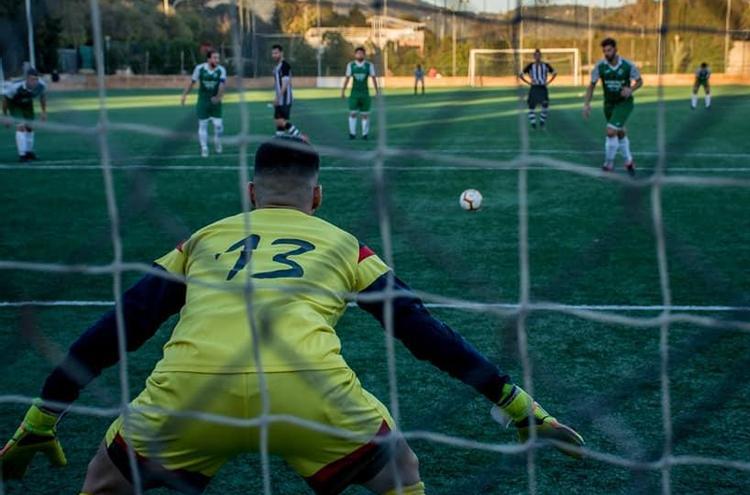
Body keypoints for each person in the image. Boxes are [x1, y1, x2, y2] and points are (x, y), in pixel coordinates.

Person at [0, 136, 585, 495]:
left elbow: (118, 328)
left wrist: (40, 418)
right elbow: (427, 335)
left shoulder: (203, 239)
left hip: (190, 391)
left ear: (251, 193)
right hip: (311, 392)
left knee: (104, 482)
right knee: (401, 471)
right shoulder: (345, 244)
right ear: (318, 197)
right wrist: (518, 407)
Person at [583, 38, 643, 176]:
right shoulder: (600, 66)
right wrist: (586, 104)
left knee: (610, 131)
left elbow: (639, 81)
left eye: (609, 50)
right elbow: (591, 86)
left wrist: (630, 89)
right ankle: (629, 161)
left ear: (616, 50)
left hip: (624, 104)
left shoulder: (628, 65)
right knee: (620, 132)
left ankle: (608, 164)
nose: (606, 53)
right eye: (604, 51)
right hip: (609, 105)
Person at [181, 50, 226, 157]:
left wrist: (218, 97)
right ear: (209, 59)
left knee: (219, 126)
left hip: (215, 103)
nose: (217, 60)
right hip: (203, 102)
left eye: (218, 58)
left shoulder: (221, 70)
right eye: (215, 58)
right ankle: (204, 148)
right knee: (203, 125)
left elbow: (222, 85)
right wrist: (184, 95)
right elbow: (192, 83)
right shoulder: (199, 68)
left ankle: (218, 143)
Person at [2, 68, 47, 162]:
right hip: (14, 104)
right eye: (32, 79)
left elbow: (42, 97)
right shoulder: (15, 87)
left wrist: (43, 112)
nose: (34, 81)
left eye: (36, 79)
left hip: (27, 104)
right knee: (21, 126)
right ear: (26, 79)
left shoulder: (41, 86)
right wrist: (5, 115)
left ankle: (29, 152)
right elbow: (5, 100)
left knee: (30, 127)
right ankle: (22, 155)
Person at [341, 47, 379, 140]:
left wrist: (377, 91)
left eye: (361, 53)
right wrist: (343, 91)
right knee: (352, 114)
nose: (359, 55)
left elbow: (373, 78)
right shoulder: (351, 65)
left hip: (365, 94)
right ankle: (352, 134)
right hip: (354, 94)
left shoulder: (369, 65)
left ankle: (365, 134)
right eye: (358, 53)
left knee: (365, 115)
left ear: (364, 55)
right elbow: (347, 78)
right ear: (355, 55)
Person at [519, 49, 557, 129]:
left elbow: (555, 72)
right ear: (534, 56)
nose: (537, 57)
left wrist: (549, 82)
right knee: (531, 106)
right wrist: (528, 82)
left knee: (545, 105)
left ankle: (542, 122)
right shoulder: (530, 66)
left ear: (541, 56)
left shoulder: (545, 65)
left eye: (539, 55)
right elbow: (520, 74)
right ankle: (533, 123)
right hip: (534, 87)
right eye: (535, 55)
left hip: (543, 87)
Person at [270, 44, 302, 137]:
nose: (274, 55)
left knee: (280, 121)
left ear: (281, 53)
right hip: (280, 98)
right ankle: (279, 137)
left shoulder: (285, 66)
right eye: (273, 53)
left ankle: (299, 136)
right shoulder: (277, 67)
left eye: (276, 53)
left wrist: (278, 97)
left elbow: (285, 84)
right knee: (278, 121)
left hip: (284, 99)